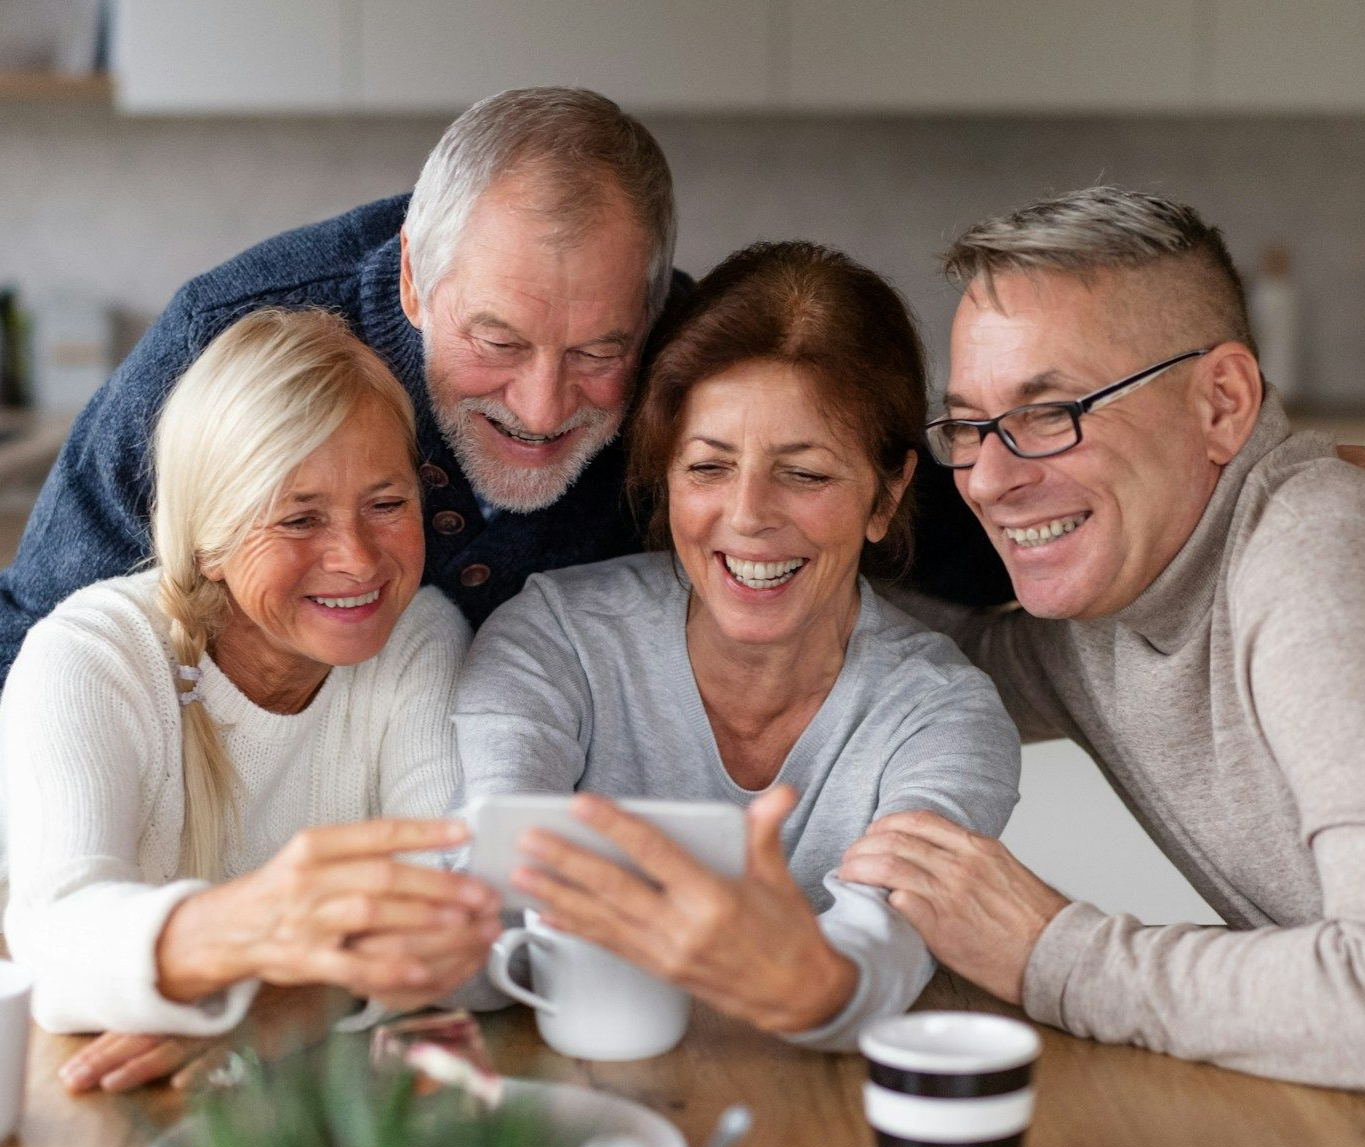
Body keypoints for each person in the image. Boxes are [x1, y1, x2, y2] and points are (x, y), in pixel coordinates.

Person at [0, 87, 1005, 693]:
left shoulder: (703, 367)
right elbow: (34, 639)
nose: (539, 406)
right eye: (498, 341)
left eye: (597, 353)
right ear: (412, 282)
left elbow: (936, 519)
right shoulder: (229, 347)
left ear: (651, 316)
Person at [843, 187, 1365, 1087]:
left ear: (1221, 403)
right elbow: (926, 665)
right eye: (967, 425)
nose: (991, 479)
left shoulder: (1311, 554)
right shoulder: (1111, 616)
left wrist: (1051, 950)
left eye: (1052, 411)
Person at [451, 242, 1020, 1050]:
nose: (748, 515)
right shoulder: (554, 641)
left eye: (806, 474)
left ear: (886, 493)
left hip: (828, 1124)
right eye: (708, 466)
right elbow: (486, 887)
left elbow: (886, 944)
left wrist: (809, 980)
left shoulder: (942, 715)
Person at [1, 308, 500, 1090]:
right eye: (300, 517)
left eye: (386, 502)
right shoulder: (91, 656)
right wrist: (259, 928)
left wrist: (284, 1000)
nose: (358, 559)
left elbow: (460, 927)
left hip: (308, 1102)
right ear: (208, 537)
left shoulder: (418, 636)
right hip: (103, 1100)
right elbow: (52, 941)